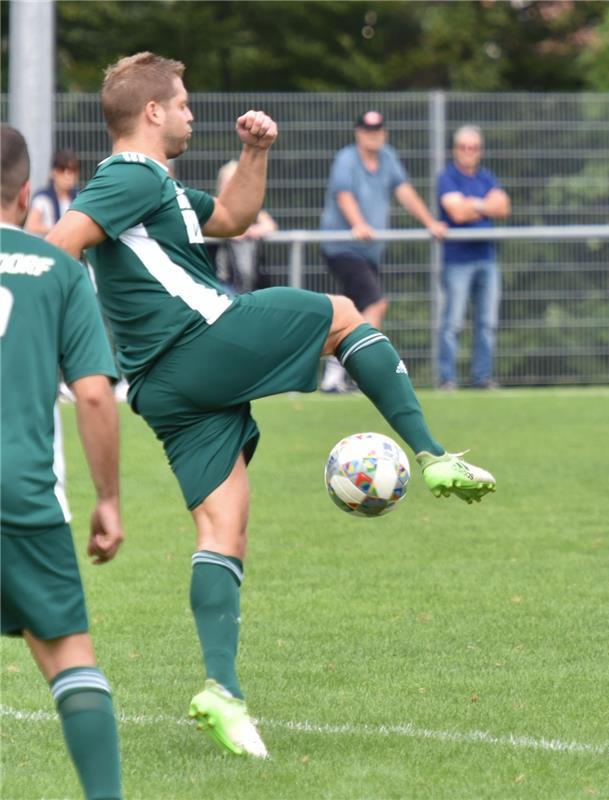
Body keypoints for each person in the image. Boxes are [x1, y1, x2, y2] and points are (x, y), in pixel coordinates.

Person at [47, 52, 495, 759]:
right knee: (345, 315)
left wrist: (254, 152)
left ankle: (221, 691)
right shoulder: (129, 178)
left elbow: (231, 216)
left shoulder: (151, 186)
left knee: (224, 528)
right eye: (185, 102)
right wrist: (49, 340)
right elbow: (60, 245)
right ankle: (433, 455)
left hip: (165, 387)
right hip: (200, 340)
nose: (194, 113)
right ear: (153, 112)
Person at [1, 124, 125, 799]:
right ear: (26, 193)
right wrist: (108, 500)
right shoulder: (56, 269)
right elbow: (95, 396)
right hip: (20, 492)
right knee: (70, 660)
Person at [318, 109, 447, 392]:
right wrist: (359, 224)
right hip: (344, 248)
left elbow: (405, 192)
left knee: (348, 316)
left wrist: (430, 223)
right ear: (358, 133)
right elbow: (343, 195)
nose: (373, 135)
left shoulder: (387, 157)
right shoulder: (347, 159)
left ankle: (333, 376)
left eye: (378, 131)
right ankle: (363, 372)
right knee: (376, 303)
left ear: (384, 132)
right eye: (367, 130)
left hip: (369, 252)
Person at [436, 125, 511, 390]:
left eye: (474, 147)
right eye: (464, 147)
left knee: (487, 324)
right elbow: (456, 213)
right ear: (455, 150)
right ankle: (447, 379)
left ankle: (482, 378)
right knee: (452, 323)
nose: (469, 152)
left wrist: (472, 205)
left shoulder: (486, 177)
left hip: (486, 258)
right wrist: (484, 205)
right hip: (457, 261)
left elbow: (503, 207)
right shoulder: (447, 177)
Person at [209, 160, 277, 293]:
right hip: (222, 282)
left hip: (252, 282)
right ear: (220, 185)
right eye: (228, 183)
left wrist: (248, 231)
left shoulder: (251, 210)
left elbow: (270, 225)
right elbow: (203, 225)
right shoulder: (214, 206)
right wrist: (228, 232)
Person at [25, 149, 80, 236]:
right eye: (62, 169)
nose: (67, 176)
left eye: (72, 170)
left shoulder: (79, 197)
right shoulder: (42, 198)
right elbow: (31, 226)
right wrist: (59, 230)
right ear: (53, 172)